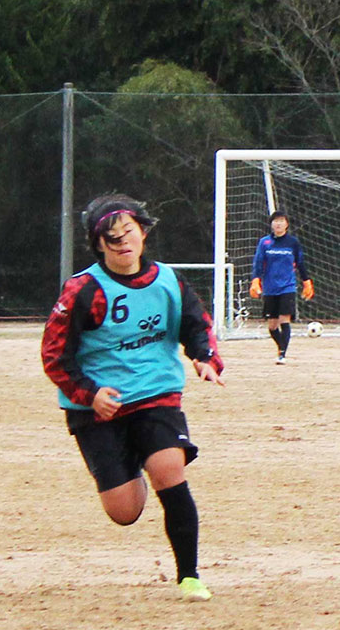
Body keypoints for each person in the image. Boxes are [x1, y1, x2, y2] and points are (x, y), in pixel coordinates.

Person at [42, 194, 224, 601]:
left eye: (129, 233)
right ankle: (129, 468)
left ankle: (190, 575)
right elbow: (54, 355)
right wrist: (89, 394)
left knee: (168, 469)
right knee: (123, 512)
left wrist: (206, 358)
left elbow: (196, 325)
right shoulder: (82, 290)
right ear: (98, 245)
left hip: (156, 395)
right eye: (112, 239)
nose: (123, 243)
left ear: (143, 232)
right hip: (97, 409)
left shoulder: (168, 282)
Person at [249, 211, 311, 364]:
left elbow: (300, 263)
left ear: (287, 224)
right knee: (272, 325)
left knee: (285, 320)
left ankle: (282, 353)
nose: (278, 224)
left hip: (287, 287)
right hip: (270, 288)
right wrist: (255, 280)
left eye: (281, 221)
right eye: (275, 221)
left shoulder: (292, 242)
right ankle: (281, 347)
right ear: (271, 224)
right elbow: (258, 263)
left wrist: (306, 281)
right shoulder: (265, 243)